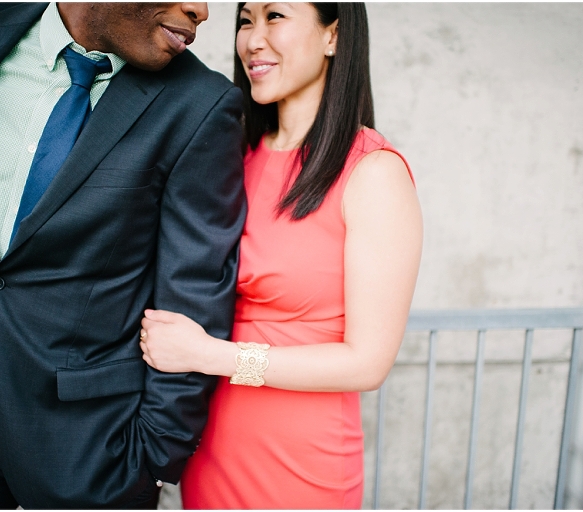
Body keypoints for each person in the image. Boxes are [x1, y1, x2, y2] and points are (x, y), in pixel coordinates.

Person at [0, 2, 246, 508]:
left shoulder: (200, 106)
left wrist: (154, 460)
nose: (201, 10)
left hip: (95, 443)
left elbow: (196, 296)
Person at [139, 2, 423, 508]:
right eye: (246, 20)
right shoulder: (234, 158)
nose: (253, 39)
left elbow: (367, 364)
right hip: (211, 449)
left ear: (333, 36)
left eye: (276, 16)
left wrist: (210, 356)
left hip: (300, 466)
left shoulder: (373, 172)